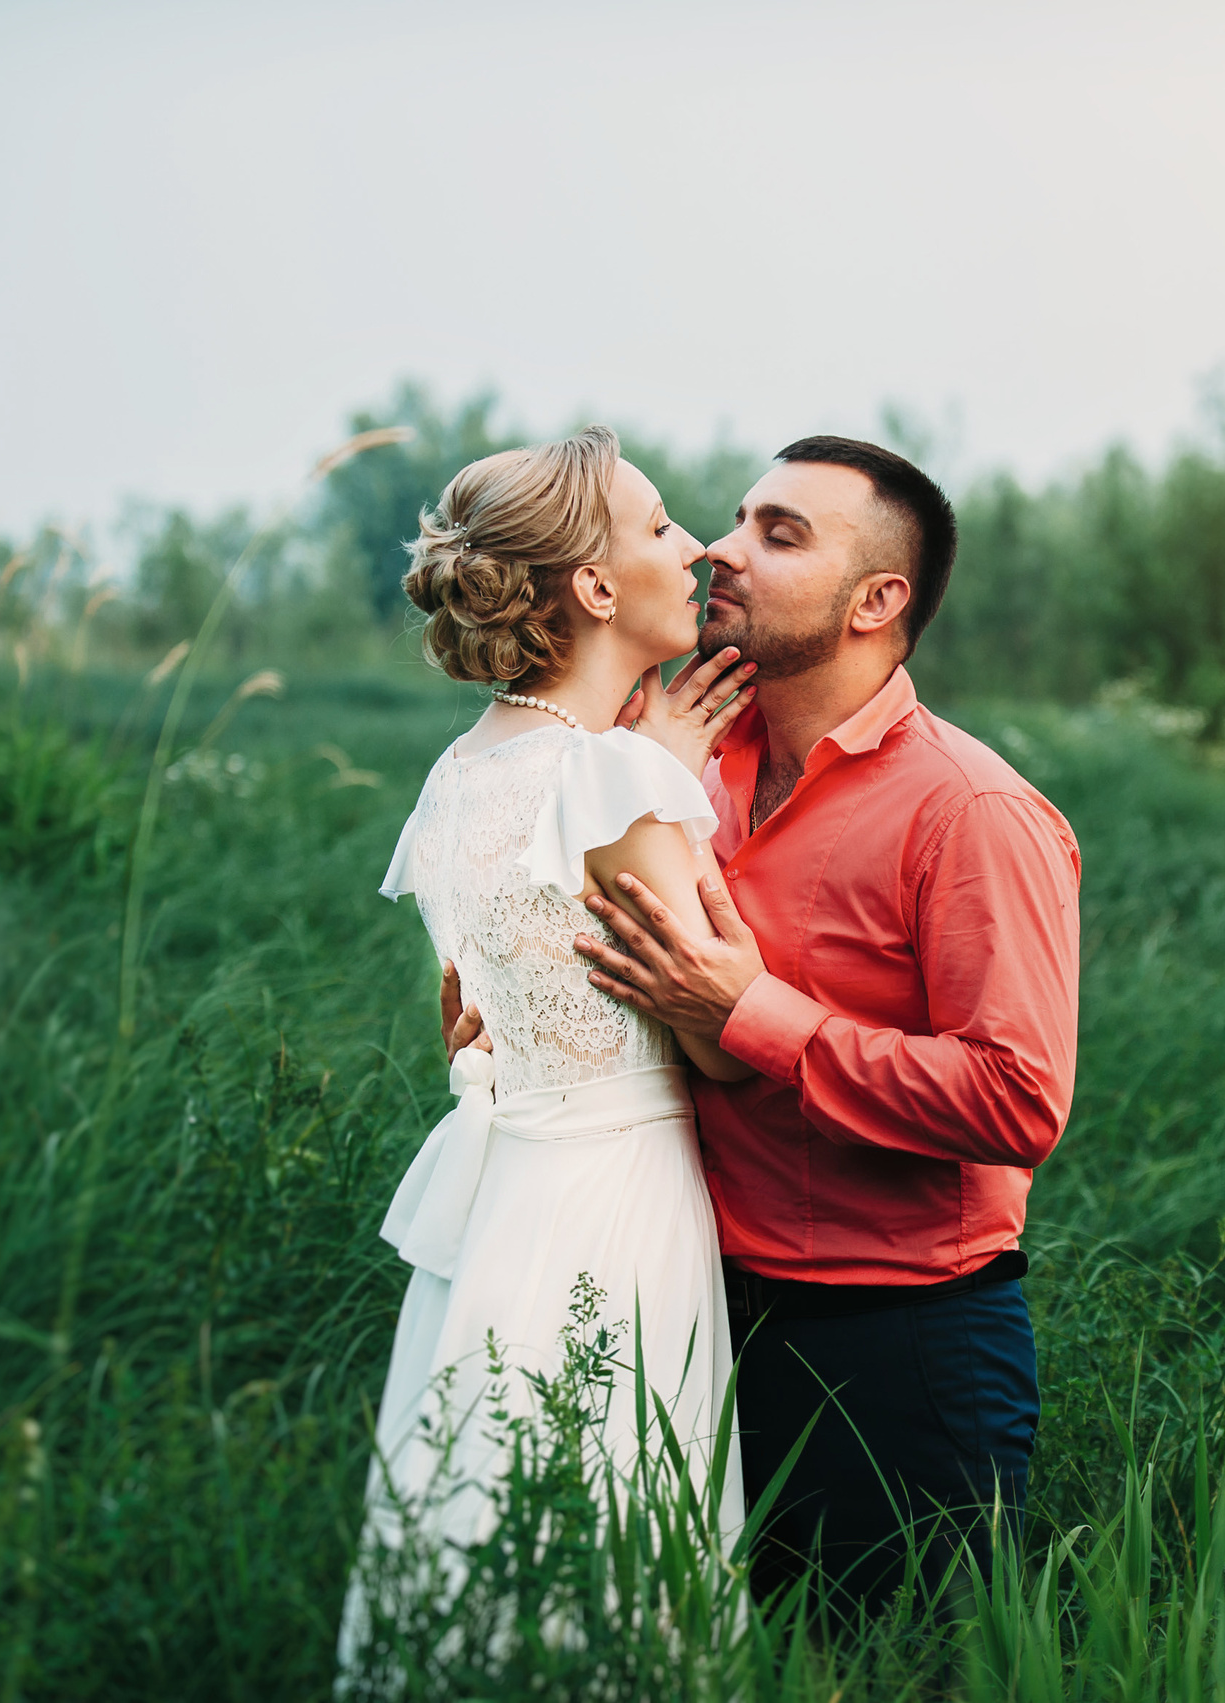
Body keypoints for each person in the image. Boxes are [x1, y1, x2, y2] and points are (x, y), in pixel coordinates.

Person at [572, 436, 1082, 1615]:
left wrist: (752, 1014)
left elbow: (1016, 1099)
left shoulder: (971, 811)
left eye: (778, 533)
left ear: (877, 600)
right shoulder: (679, 762)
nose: (719, 550)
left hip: (897, 1348)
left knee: (898, 1668)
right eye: (739, 518)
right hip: (692, 1317)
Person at [338, 425, 762, 1667]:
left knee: (490, 1503)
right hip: (619, 1201)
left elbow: (473, 1016)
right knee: (622, 1520)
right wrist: (653, 780)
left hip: (511, 1194)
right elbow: (724, 1047)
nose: (691, 551)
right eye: (658, 528)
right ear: (591, 587)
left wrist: (641, 767)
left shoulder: (458, 776)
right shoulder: (615, 778)